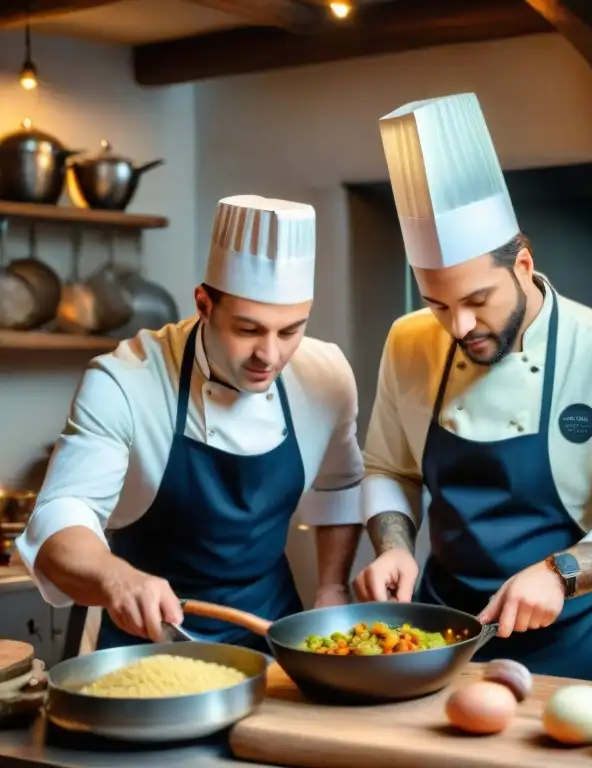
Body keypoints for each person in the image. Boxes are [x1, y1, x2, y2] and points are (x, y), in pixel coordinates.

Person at [352, 92, 592, 682]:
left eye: (478, 301)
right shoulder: (407, 341)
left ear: (523, 265)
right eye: (437, 304)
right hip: (438, 635)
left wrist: (559, 573)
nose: (459, 326)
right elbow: (387, 469)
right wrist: (394, 546)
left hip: (572, 645)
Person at [15, 195, 365, 651]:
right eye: (248, 330)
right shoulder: (125, 381)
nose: (270, 355)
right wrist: (116, 578)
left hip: (271, 635)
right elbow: (60, 518)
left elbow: (340, 487)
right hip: (141, 638)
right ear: (203, 303)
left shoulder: (326, 375)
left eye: (290, 330)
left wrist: (333, 586)